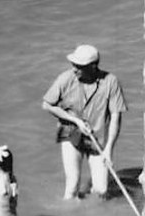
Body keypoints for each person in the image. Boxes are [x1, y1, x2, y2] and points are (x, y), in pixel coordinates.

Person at [40, 42, 128, 199]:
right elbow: (47, 105)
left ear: (93, 66)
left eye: (79, 65)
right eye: (73, 64)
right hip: (71, 134)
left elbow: (116, 117)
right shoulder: (65, 78)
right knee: (72, 186)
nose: (74, 68)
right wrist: (74, 120)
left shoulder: (111, 82)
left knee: (101, 190)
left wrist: (109, 150)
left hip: (98, 138)